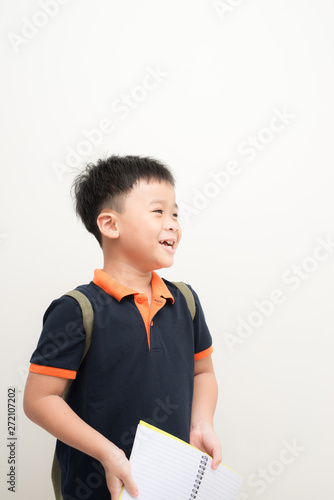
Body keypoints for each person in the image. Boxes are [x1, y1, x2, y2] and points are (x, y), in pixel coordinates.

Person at [24, 155, 222, 500]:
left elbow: (202, 372)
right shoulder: (77, 310)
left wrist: (201, 423)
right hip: (97, 490)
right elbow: (39, 399)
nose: (173, 223)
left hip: (170, 485)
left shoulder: (185, 301)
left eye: (175, 213)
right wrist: (109, 453)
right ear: (110, 225)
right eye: (158, 212)